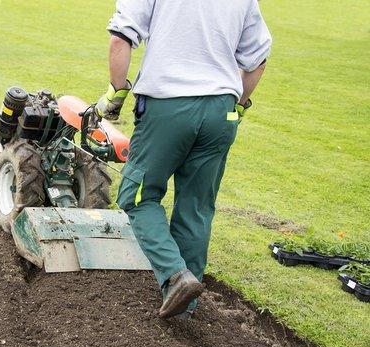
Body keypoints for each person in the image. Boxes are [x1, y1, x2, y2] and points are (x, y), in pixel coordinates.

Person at [95, 0, 272, 318]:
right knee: (197, 208)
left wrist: (116, 93)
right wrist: (240, 105)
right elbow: (257, 60)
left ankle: (176, 275)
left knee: (137, 197)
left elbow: (121, 37)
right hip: (222, 109)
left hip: (167, 106)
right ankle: (184, 308)